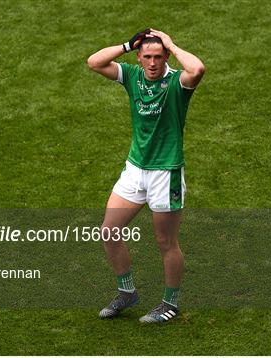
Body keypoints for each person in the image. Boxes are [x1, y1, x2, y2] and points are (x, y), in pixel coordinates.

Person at [87, 28, 205, 323]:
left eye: (158, 56)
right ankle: (127, 293)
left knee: (166, 242)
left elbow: (198, 68)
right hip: (135, 170)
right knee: (109, 231)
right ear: (139, 58)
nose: (153, 62)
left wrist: (172, 44)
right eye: (147, 57)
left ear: (165, 56)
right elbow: (94, 62)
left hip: (166, 174)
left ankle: (170, 303)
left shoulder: (178, 82)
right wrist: (127, 44)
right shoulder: (132, 76)